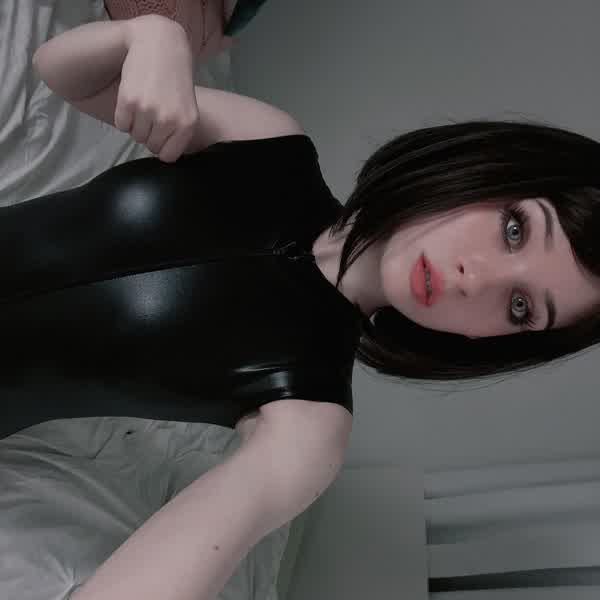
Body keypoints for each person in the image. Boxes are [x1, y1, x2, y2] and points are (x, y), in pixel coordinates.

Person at [9, 6, 600, 600]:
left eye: (520, 307)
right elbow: (60, 72)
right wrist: (145, 34)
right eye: (515, 230)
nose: (478, 279)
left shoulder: (310, 423)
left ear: (493, 343)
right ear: (487, 171)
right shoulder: (271, 142)